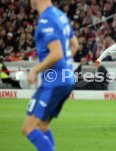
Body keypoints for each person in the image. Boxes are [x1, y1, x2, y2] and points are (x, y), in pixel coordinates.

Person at [21, 1, 79, 151]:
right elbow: (75, 45)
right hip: (65, 79)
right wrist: (65, 66)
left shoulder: (47, 20)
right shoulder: (60, 15)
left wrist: (35, 70)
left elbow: (57, 53)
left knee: (29, 128)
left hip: (55, 82)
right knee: (42, 126)